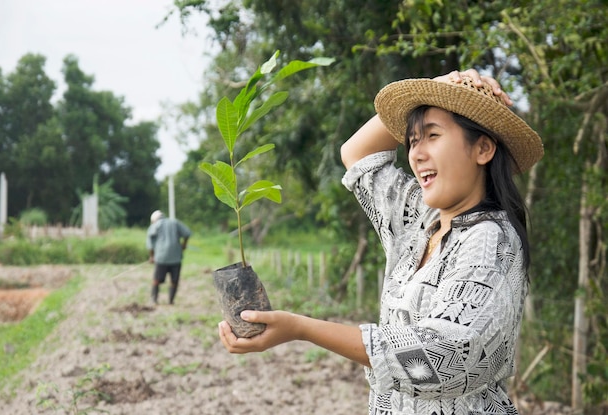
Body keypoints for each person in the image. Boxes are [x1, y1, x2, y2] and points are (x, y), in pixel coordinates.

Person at [217, 69, 544, 415]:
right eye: (412, 141)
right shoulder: (419, 218)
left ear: (483, 148)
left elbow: (441, 357)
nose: (416, 154)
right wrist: (439, 84)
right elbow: (356, 153)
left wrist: (302, 328)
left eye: (432, 135)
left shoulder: (491, 240)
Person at [146, 210, 192, 305]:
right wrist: (184, 245)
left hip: (161, 257)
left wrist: (152, 256)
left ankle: (154, 300)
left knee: (156, 279)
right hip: (176, 256)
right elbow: (187, 233)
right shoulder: (174, 222)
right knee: (174, 280)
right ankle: (171, 301)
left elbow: (150, 244)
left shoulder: (155, 225)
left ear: (153, 220)